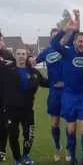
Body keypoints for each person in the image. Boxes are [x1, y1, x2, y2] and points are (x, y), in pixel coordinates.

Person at [51, 16, 83, 165]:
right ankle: (72, 156)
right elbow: (54, 43)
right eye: (80, 41)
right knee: (71, 128)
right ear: (75, 41)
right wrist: (66, 29)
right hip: (69, 96)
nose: (82, 44)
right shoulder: (67, 52)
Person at [29, 28, 73, 162]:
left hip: (67, 92)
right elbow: (33, 63)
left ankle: (69, 149)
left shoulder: (67, 48)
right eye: (54, 36)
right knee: (55, 123)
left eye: (59, 36)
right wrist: (30, 57)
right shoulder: (46, 52)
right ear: (51, 38)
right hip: (54, 92)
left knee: (69, 123)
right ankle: (57, 147)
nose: (57, 38)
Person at [4, 47, 49, 165]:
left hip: (28, 110)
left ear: (27, 55)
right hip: (11, 109)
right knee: (13, 135)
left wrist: (64, 82)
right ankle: (17, 158)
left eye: (23, 54)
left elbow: (46, 83)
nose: (21, 56)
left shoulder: (34, 72)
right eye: (18, 53)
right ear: (14, 55)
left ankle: (25, 155)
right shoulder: (7, 69)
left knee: (29, 135)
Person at [0, 32, 15, 162]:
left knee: (4, 125)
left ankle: (2, 150)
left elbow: (19, 63)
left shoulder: (7, 55)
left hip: (5, 97)